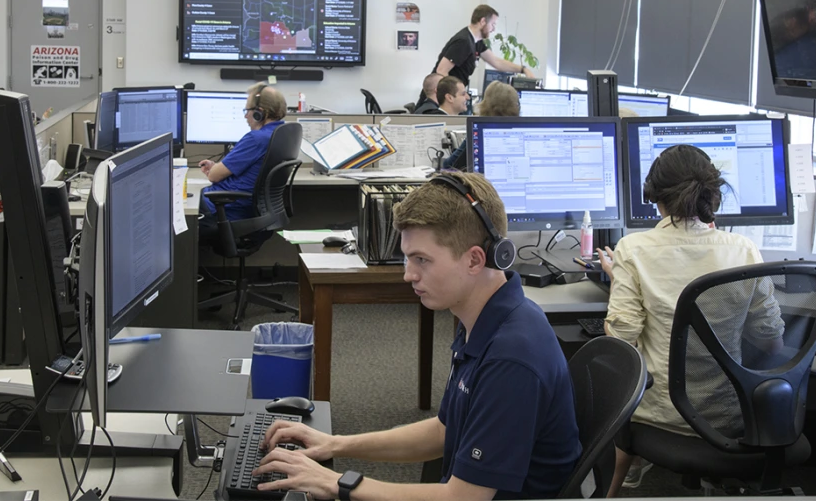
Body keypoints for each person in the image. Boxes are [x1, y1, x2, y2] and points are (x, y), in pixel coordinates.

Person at [255, 172, 581, 500]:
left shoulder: (512, 358)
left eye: (421, 260)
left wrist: (334, 483)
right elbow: (443, 430)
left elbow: (463, 498)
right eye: (408, 257)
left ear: (474, 260)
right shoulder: (485, 319)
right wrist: (336, 443)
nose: (408, 274)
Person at [598, 144, 785, 496]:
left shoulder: (633, 250)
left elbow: (621, 340)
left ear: (655, 195)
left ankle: (619, 480)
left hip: (661, 419)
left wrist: (618, 280)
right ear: (712, 194)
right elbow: (772, 342)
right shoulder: (743, 250)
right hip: (730, 419)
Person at [197, 83, 286, 241]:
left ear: (260, 113)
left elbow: (214, 177)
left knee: (177, 210)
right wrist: (218, 167)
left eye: (248, 111)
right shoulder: (282, 133)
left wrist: (215, 169)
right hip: (249, 210)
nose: (245, 116)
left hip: (226, 211)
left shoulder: (256, 138)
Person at [418, 5, 535, 105]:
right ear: (483, 21)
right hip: (438, 101)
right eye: (493, 24)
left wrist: (522, 69)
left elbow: (496, 62)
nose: (493, 29)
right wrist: (453, 97)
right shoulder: (464, 41)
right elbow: (441, 71)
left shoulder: (476, 41)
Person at [442, 81, 520, 171]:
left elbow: (449, 166)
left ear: (485, 103)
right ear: (516, 106)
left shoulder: (478, 130)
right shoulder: (522, 129)